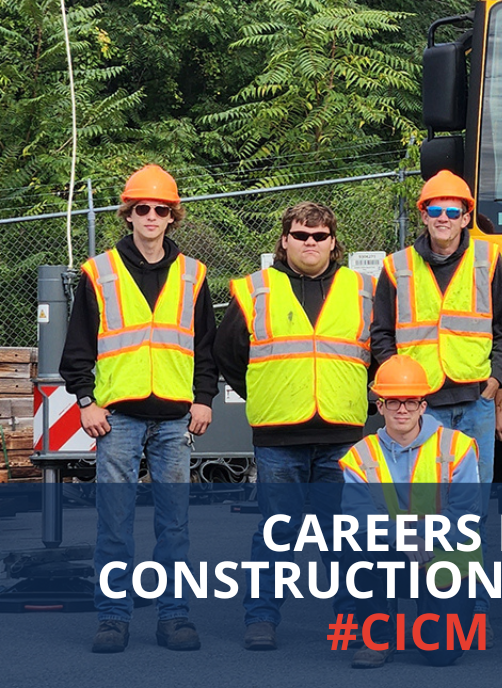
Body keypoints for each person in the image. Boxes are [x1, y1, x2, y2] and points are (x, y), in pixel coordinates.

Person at [62, 164, 215, 654]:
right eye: (142, 208)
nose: (152, 216)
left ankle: (174, 618)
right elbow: (79, 347)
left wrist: (204, 398)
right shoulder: (99, 272)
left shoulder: (194, 274)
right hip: (117, 416)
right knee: (115, 524)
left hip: (175, 417)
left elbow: (205, 346)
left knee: (174, 525)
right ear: (128, 215)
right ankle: (112, 619)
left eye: (161, 209)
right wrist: (85, 400)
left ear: (173, 217)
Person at [217, 202, 373, 650]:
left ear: (333, 241)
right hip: (278, 438)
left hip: (340, 436)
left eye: (319, 236)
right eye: (301, 235)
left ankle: (352, 619)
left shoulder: (362, 288)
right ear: (284, 239)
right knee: (277, 531)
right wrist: (269, 395)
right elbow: (229, 356)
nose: (310, 243)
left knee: (344, 535)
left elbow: (380, 352)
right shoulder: (256, 290)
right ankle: (261, 618)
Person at [372, 169, 502, 484]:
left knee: (474, 492)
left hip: (477, 400)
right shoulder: (397, 268)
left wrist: (495, 380)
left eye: (453, 212)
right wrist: (400, 386)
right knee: (425, 495)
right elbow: (381, 334)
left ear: (465, 219)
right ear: (423, 216)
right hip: (422, 405)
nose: (444, 219)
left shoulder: (488, 260)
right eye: (435, 210)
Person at [340, 355, 480, 669]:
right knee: (353, 543)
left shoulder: (458, 448)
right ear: (379, 406)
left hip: (442, 555)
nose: (402, 410)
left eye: (410, 402)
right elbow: (357, 518)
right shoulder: (360, 456)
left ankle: (430, 623)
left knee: (442, 654)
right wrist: (404, 538)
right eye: (393, 402)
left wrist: (424, 539)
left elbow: (465, 517)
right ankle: (377, 637)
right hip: (391, 553)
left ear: (423, 406)